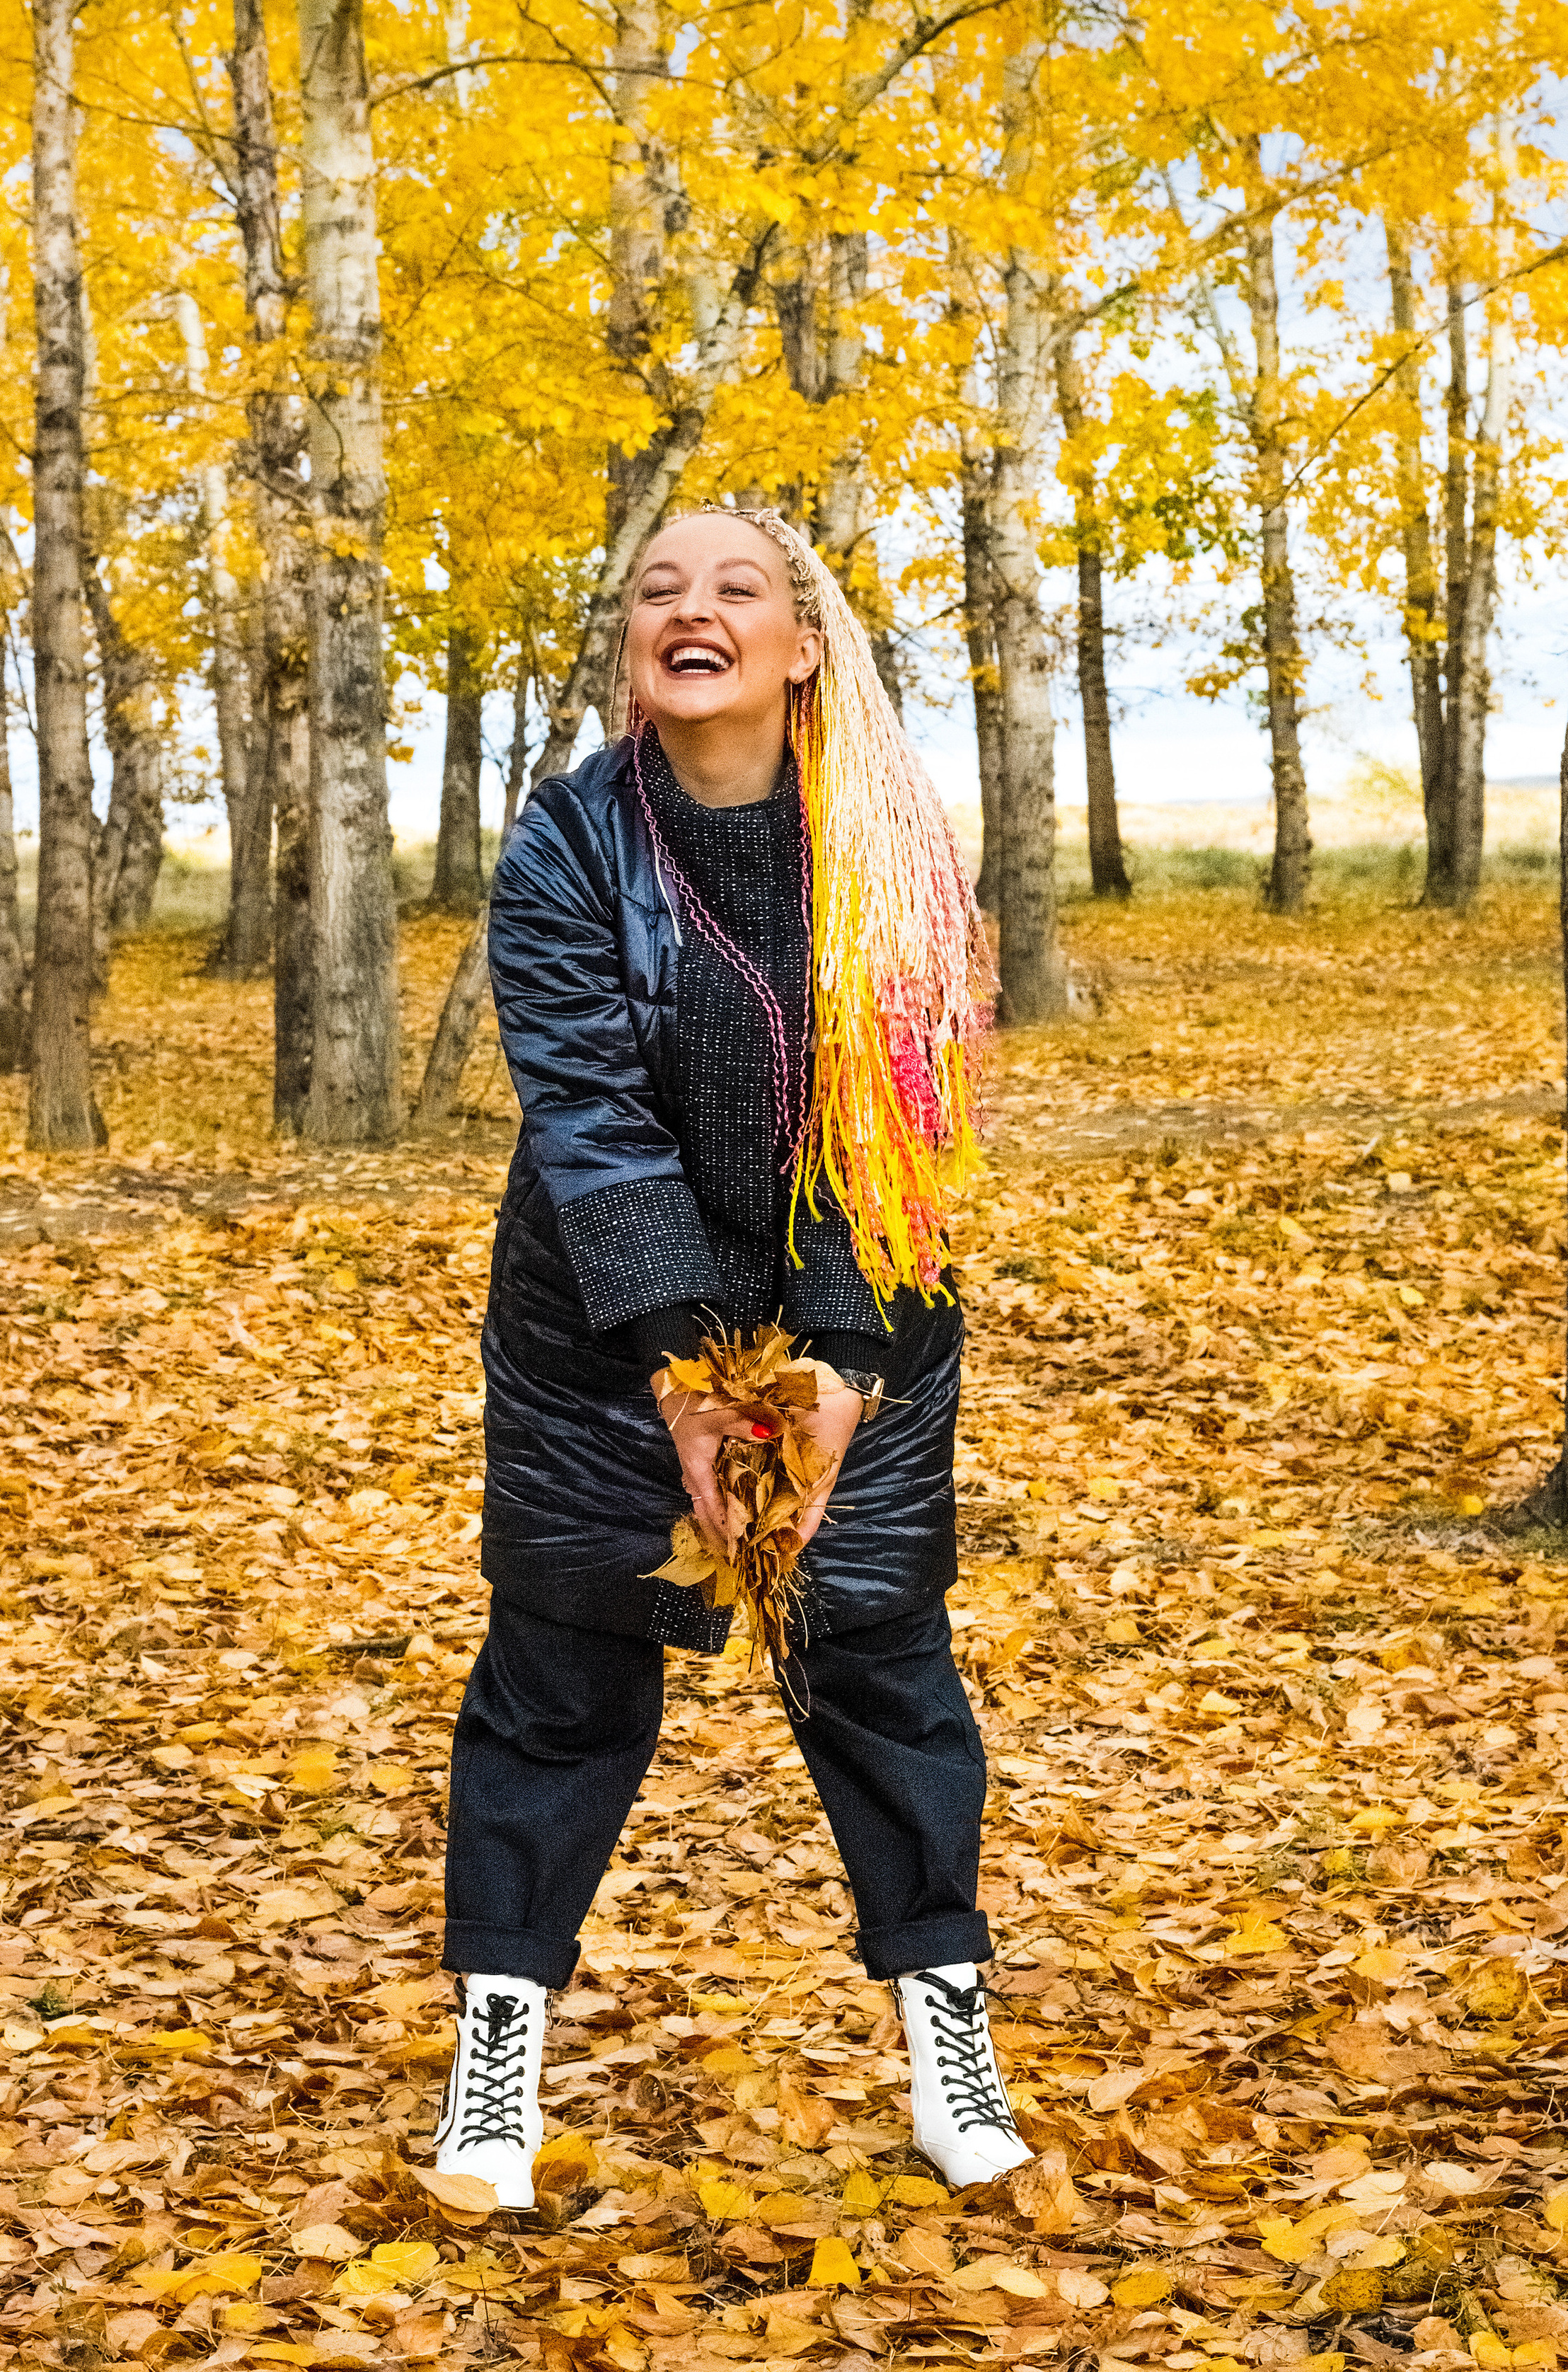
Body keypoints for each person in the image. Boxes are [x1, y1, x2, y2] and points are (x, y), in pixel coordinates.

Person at [433, 504, 1029, 2208]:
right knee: (557, 1688)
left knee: (885, 1676)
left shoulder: (894, 846)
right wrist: (685, 1370)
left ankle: (947, 2040)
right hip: (600, 1337)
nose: (689, 612)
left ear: (801, 642)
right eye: (656, 590)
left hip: (866, 1308)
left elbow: (894, 1113)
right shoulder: (563, 842)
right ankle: (497, 2061)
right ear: (632, 641)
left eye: (735, 590)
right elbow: (591, 1123)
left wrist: (833, 1357)